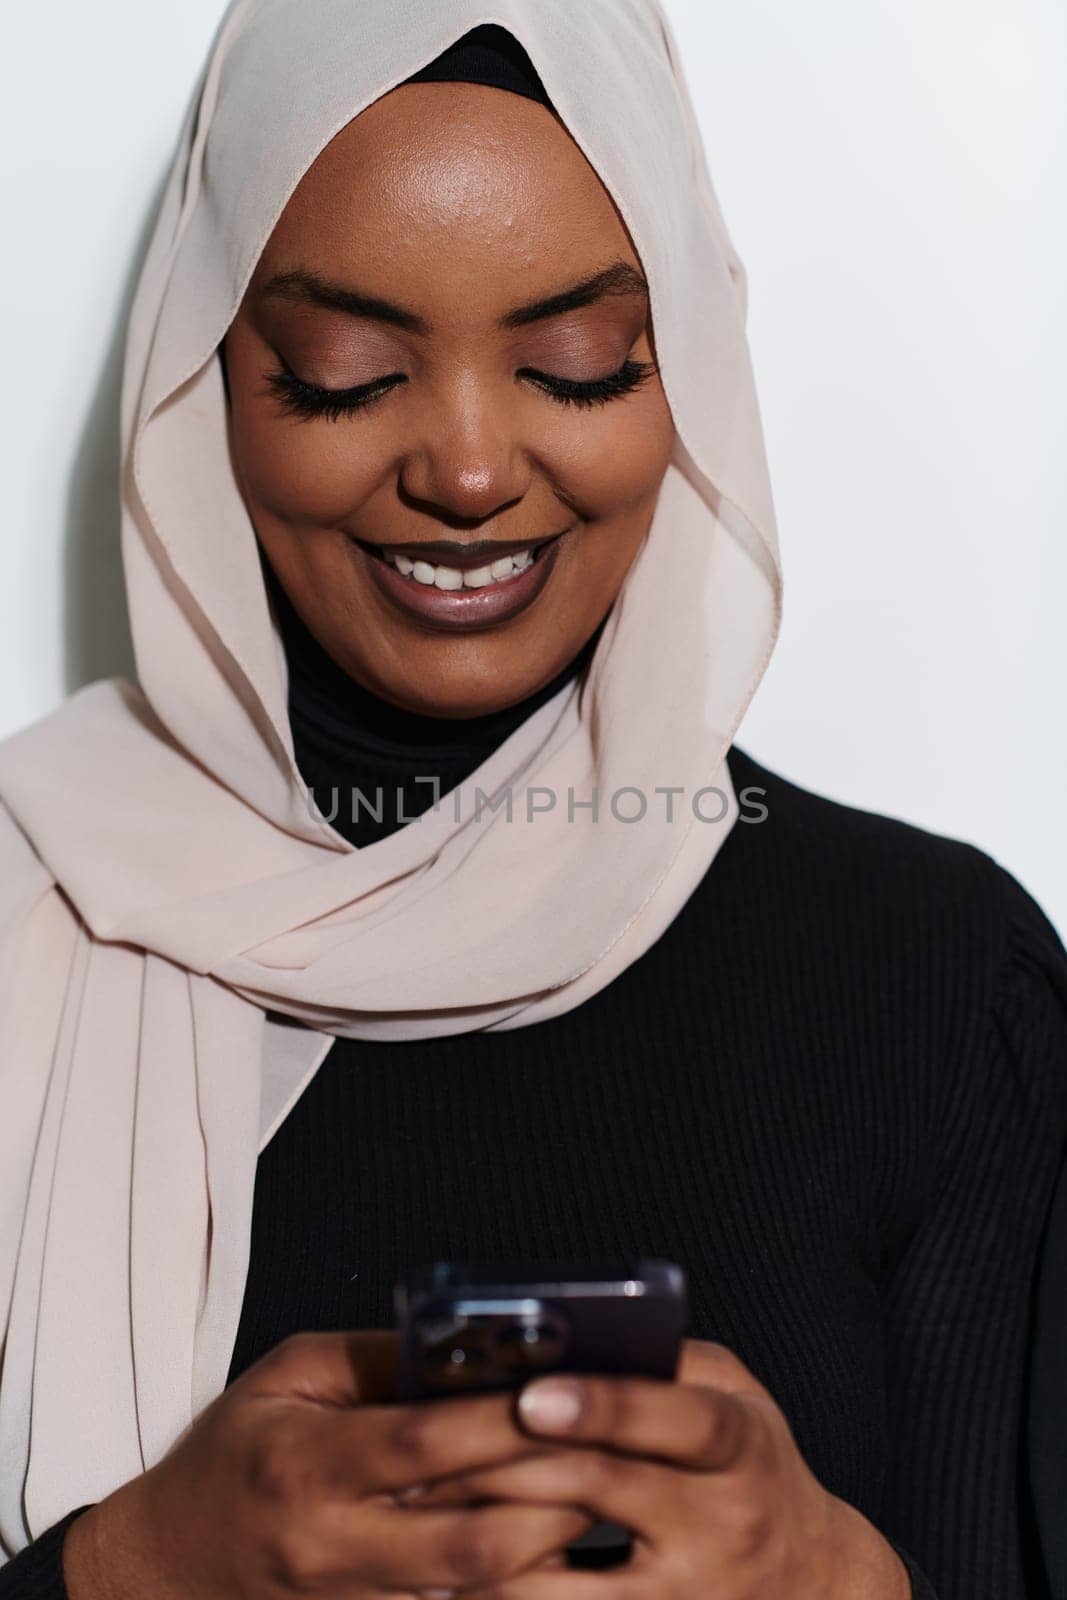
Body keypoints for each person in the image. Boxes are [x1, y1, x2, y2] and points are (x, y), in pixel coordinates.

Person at [0, 4, 1064, 1598]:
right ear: (201, 379)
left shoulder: (934, 981)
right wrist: (125, 1567)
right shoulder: (31, 906)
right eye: (347, 376)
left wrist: (843, 1579)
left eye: (574, 365)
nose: (472, 468)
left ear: (687, 370)